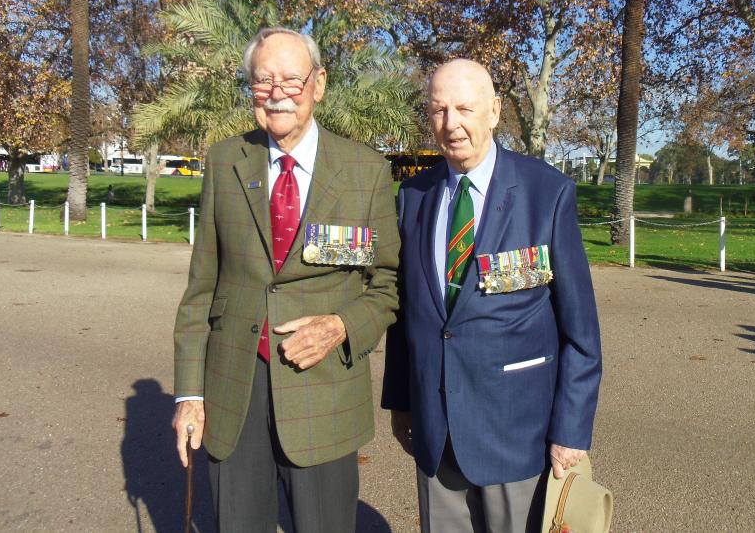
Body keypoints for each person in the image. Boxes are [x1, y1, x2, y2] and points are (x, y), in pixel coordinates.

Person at [171, 27, 400, 533]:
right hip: (234, 392)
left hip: (322, 390)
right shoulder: (224, 161)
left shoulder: (366, 171)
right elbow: (199, 292)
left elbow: (386, 284)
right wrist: (189, 393)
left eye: (291, 80)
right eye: (262, 81)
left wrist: (341, 326)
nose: (277, 93)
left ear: (318, 84)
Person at [382, 59, 602, 532]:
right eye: (439, 110)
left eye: (464, 108)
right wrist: (401, 400)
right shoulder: (413, 196)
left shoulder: (547, 193)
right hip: (436, 431)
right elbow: (408, 315)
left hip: (517, 432)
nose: (451, 124)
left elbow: (581, 330)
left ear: (495, 111)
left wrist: (571, 432)